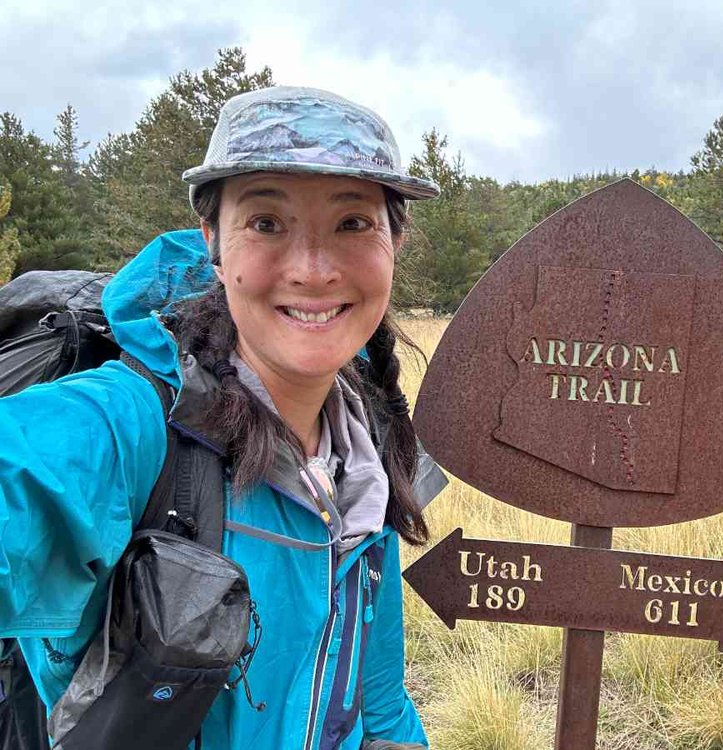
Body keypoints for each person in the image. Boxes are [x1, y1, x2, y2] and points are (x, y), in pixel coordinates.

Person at [0, 86, 445, 749]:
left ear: (395, 241)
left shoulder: (368, 456)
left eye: (352, 223)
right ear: (212, 239)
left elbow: (378, 705)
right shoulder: (126, 429)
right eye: (266, 223)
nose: (314, 269)